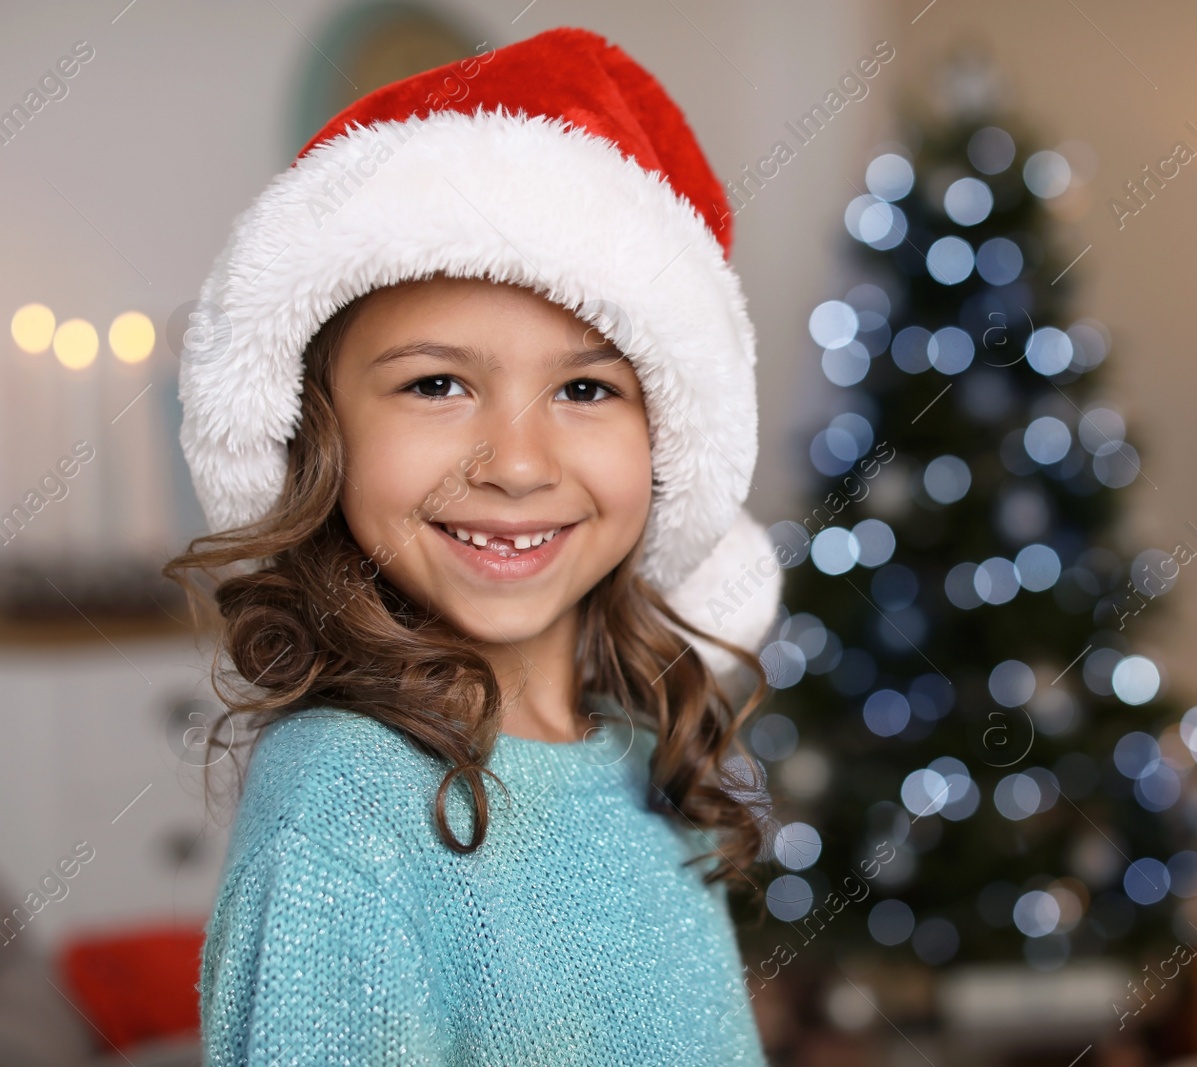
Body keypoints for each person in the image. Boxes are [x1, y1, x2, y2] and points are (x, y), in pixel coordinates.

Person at [165, 26, 783, 1065]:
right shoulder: (343, 814)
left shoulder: (635, 745)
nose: (516, 463)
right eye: (436, 383)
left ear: (667, 437)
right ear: (324, 429)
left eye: (585, 388)